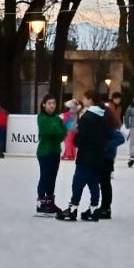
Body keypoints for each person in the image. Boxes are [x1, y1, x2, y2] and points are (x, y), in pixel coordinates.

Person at [58, 91, 113, 222]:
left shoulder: (87, 117)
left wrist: (77, 140)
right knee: (94, 183)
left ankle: (73, 208)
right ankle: (94, 209)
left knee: (78, 182)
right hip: (98, 156)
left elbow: (79, 137)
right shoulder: (104, 116)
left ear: (90, 99)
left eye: (84, 98)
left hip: (85, 155)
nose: (83, 100)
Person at [35, 97, 67, 215]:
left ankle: (49, 202)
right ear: (44, 105)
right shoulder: (41, 118)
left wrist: (59, 131)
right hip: (44, 152)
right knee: (45, 176)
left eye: (54, 103)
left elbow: (63, 132)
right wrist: (58, 130)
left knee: (52, 177)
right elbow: (49, 131)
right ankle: (41, 202)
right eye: (49, 103)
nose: (52, 105)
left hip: (55, 151)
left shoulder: (57, 118)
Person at [97, 92, 125, 219]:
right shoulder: (100, 125)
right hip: (99, 156)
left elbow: (120, 139)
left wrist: (106, 145)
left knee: (105, 183)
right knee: (100, 182)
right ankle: (101, 206)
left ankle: (106, 207)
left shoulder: (109, 127)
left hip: (107, 157)